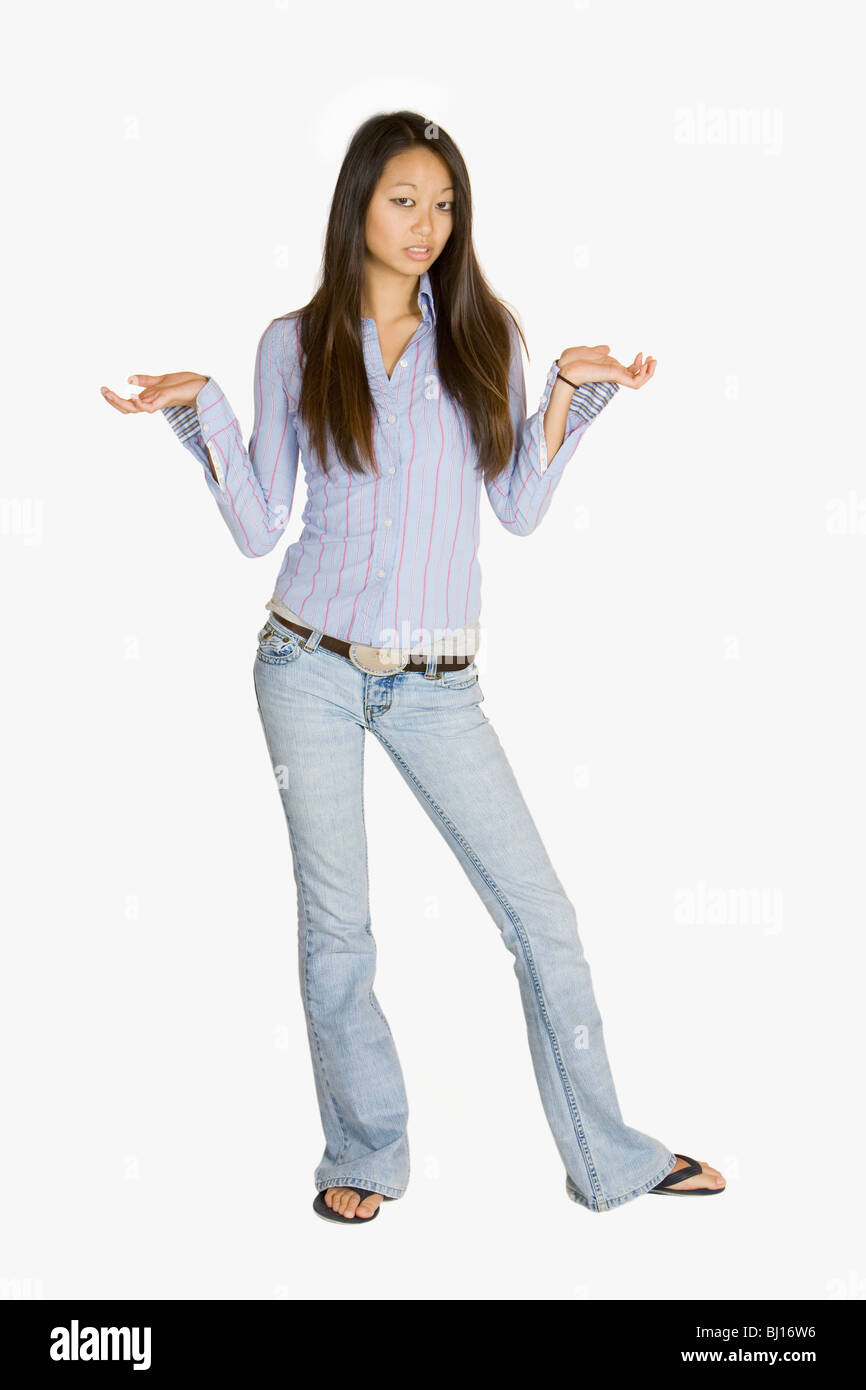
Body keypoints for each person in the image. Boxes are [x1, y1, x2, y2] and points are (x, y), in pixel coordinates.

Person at [101, 110, 725, 1223]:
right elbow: (258, 529)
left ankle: (610, 1159)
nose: (426, 224)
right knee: (338, 931)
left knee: (543, 918)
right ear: (357, 205)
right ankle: (362, 1152)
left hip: (440, 685)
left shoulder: (485, 339)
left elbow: (518, 507)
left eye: (442, 205)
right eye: (403, 200)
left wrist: (574, 403)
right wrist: (199, 413)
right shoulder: (292, 346)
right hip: (306, 666)